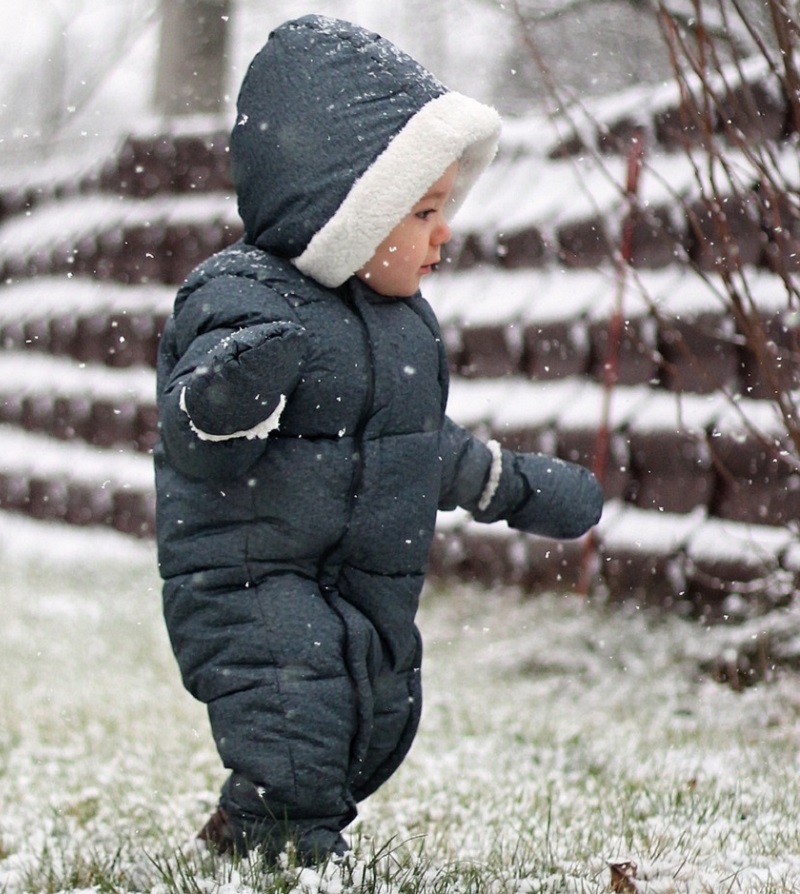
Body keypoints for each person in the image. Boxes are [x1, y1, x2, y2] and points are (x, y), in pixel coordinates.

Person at [153, 15, 603, 864]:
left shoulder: (401, 329)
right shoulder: (242, 301)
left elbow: (412, 447)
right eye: (424, 210)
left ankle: (253, 823)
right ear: (345, 214)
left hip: (359, 574)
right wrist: (234, 390)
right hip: (249, 571)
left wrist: (511, 484)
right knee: (297, 706)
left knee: (374, 708)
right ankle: (292, 850)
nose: (445, 233)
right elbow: (197, 437)